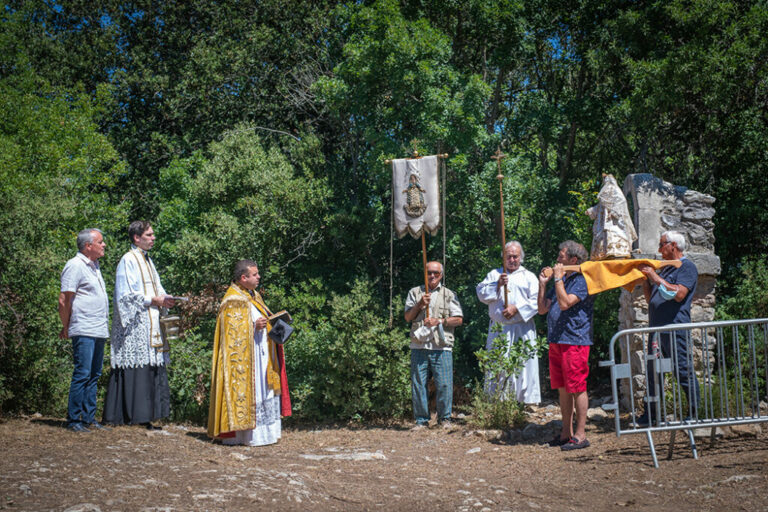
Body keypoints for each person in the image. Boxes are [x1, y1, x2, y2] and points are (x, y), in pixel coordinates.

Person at [208, 260, 291, 445]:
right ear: (243, 278)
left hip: (261, 353)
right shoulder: (232, 300)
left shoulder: (253, 296)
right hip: (246, 362)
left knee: (264, 391)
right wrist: (253, 326)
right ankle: (246, 436)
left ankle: (265, 433)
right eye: (255, 274)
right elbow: (230, 336)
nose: (259, 277)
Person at [102, 221, 175, 428]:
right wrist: (154, 300)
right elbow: (125, 296)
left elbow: (157, 288)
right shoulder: (128, 259)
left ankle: (147, 416)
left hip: (150, 322)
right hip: (135, 326)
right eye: (149, 235)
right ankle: (132, 416)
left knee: (149, 367)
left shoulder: (148, 261)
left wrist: (165, 298)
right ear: (136, 237)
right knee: (137, 367)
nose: (153, 238)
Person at [635, 231, 700, 426]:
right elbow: (651, 300)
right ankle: (650, 415)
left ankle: (695, 413)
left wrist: (654, 276)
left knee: (682, 369)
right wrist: (646, 282)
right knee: (653, 371)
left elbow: (679, 294)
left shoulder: (687, 267)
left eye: (662, 244)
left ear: (673, 245)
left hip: (675, 328)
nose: (659, 249)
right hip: (657, 329)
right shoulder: (665, 270)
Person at [537, 240, 595, 451]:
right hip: (557, 340)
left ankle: (580, 435)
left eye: (561, 256)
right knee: (562, 388)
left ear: (573, 260)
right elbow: (543, 309)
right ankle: (566, 433)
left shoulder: (582, 280)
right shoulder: (561, 280)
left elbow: (565, 303)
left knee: (577, 386)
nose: (557, 260)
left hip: (575, 340)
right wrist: (543, 284)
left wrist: (559, 278)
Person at [58, 228, 111, 433]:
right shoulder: (75, 265)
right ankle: (74, 419)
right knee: (82, 372)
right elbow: (64, 299)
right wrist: (67, 325)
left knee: (94, 374)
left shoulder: (94, 266)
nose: (104, 245)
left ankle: (89, 418)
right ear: (88, 246)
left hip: (98, 328)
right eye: (100, 242)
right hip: (83, 327)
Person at [476, 241, 540, 404]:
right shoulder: (494, 274)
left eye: (515, 256)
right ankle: (498, 401)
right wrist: (497, 285)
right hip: (499, 329)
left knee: (523, 363)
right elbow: (482, 295)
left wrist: (516, 308)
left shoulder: (529, 276)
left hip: (522, 328)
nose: (512, 259)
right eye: (508, 256)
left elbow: (537, 302)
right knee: (498, 363)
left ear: (521, 257)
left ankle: (525, 401)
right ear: (503, 257)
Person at [404, 261, 463, 429]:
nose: (432, 276)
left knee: (444, 383)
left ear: (441, 275)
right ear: (424, 273)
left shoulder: (449, 294)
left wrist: (440, 320)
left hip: (441, 344)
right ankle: (421, 421)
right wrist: (419, 305)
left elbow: (459, 319)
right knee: (418, 383)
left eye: (436, 273)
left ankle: (445, 419)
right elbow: (408, 317)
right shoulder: (415, 293)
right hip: (419, 345)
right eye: (429, 272)